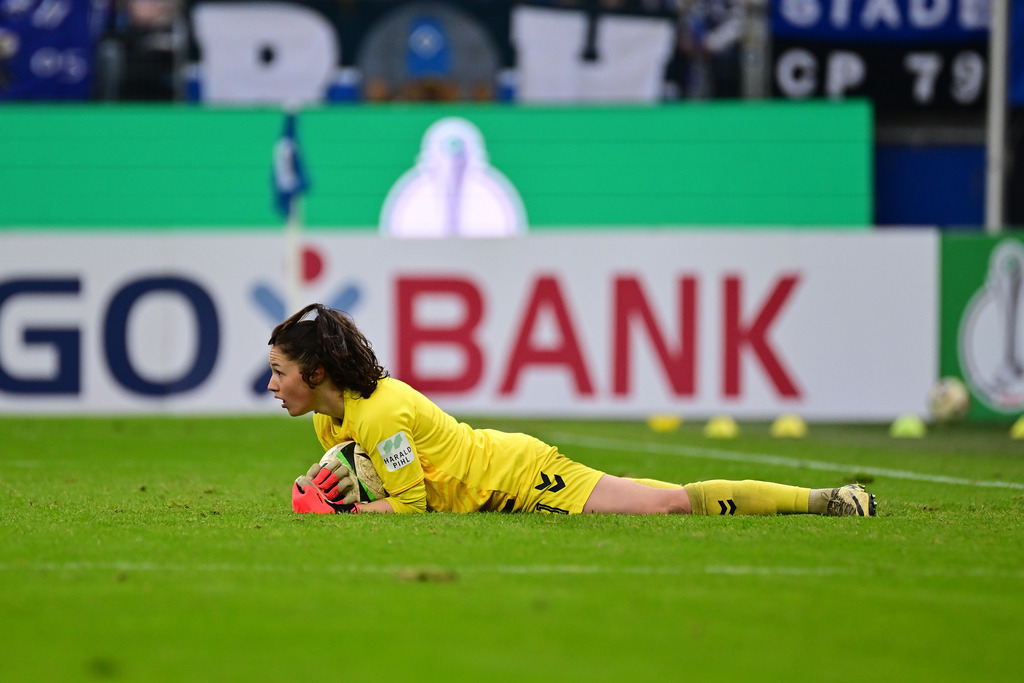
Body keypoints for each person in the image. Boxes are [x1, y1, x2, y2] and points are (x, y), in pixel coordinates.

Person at [268, 303, 877, 517]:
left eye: (279, 372)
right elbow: (365, 480)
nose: (272, 384)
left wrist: (338, 516)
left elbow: (408, 504)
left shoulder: (378, 414)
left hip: (521, 476)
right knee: (659, 494)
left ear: (314, 373)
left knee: (666, 504)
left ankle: (823, 500)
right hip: (495, 480)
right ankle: (820, 498)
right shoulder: (331, 417)